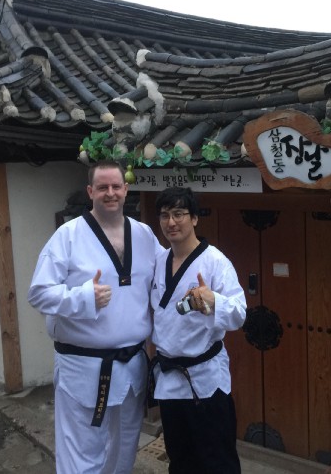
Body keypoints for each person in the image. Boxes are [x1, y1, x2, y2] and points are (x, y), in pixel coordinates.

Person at [28, 160, 163, 474]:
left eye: (116, 186)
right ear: (90, 191)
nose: (111, 193)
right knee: (82, 454)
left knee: (125, 448)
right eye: (102, 187)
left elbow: (164, 282)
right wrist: (83, 298)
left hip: (131, 366)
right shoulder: (68, 236)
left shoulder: (144, 235)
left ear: (126, 189)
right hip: (84, 368)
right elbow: (38, 293)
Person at [150, 186, 247, 474]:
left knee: (218, 462)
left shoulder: (215, 261)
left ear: (194, 219)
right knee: (180, 461)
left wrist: (213, 300)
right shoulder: (158, 262)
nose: (171, 222)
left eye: (179, 214)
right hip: (169, 380)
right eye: (165, 215)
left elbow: (240, 314)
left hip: (206, 382)